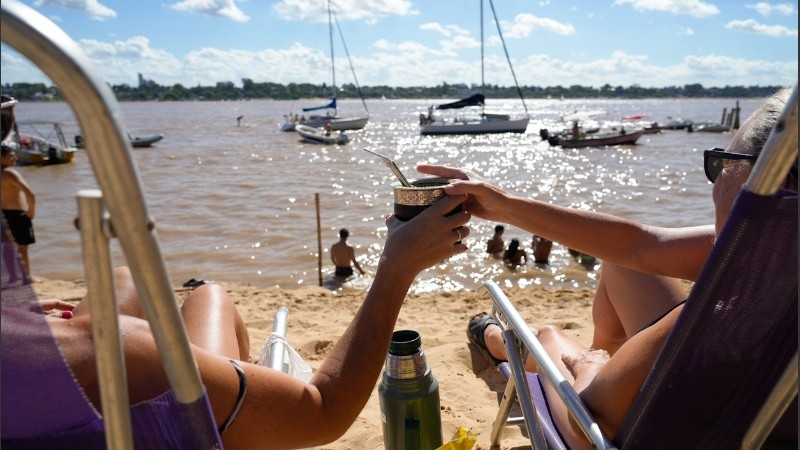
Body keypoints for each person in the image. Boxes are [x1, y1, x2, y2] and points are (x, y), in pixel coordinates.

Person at [420, 86, 795, 449]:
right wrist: (502, 204)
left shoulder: (710, 316)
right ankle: (616, 370)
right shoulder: (777, 269)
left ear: (768, 185)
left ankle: (498, 343)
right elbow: (638, 246)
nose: (715, 180)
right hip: (733, 411)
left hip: (617, 431)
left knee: (550, 336)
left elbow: (591, 416)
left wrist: (588, 363)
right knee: (623, 266)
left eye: (724, 163)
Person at [4, 192, 472, 448]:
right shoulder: (116, 353)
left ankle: (235, 396)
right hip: (140, 396)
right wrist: (397, 268)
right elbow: (324, 413)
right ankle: (244, 419)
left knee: (121, 280)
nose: (27, 202)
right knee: (210, 295)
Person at [1, 95, 36, 275]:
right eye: (11, 156)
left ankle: (14, 276)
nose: (14, 158)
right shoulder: (11, 174)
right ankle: (26, 276)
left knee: (8, 248)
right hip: (18, 213)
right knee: (23, 248)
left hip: (5, 214)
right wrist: (31, 209)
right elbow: (29, 192)